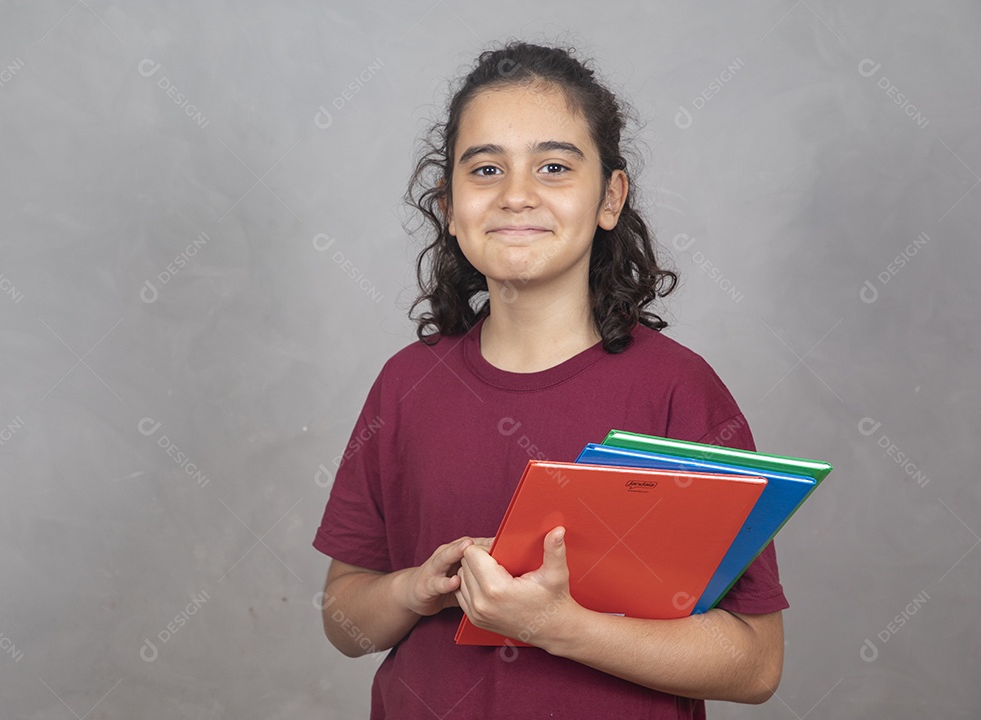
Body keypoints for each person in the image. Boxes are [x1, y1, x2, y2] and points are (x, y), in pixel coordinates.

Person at [312, 39, 787, 719]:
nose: (516, 195)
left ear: (610, 197)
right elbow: (343, 619)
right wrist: (415, 588)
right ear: (449, 204)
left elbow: (757, 662)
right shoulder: (404, 385)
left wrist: (558, 626)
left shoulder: (679, 391)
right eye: (485, 170)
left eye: (555, 166)